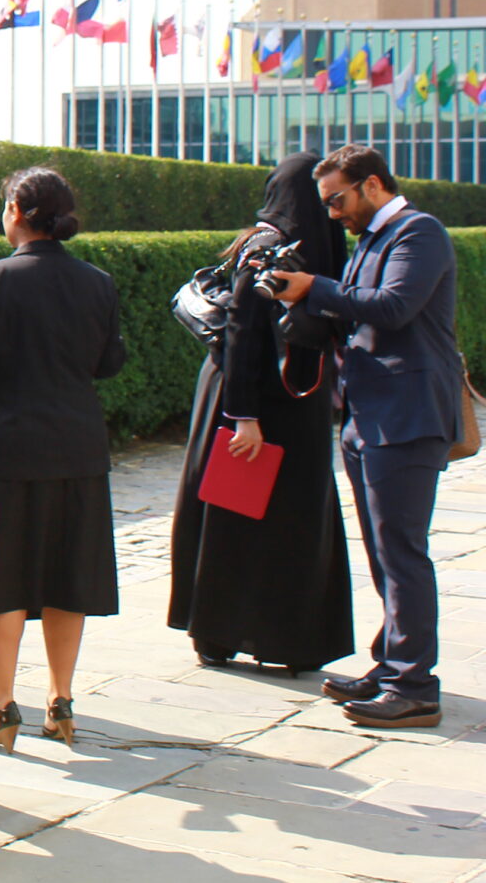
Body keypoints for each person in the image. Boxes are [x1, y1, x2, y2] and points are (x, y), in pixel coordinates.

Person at [265, 144, 461, 729]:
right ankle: (392, 664)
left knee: (402, 553)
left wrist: (314, 288)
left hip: (406, 418)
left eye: (337, 200)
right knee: (382, 551)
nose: (332, 213)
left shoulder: (419, 232)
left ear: (372, 184)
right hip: (368, 414)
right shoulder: (372, 238)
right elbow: (354, 314)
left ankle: (414, 686)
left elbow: (394, 307)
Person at [0, 168, 125, 754]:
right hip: (76, 448)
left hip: (8, 449)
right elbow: (109, 362)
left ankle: (0, 708)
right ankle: (60, 701)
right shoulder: (97, 282)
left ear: (16, 210)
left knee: (3, 584)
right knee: (68, 579)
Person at [167, 151, 353, 675]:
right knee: (243, 509)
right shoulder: (272, 245)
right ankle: (237, 633)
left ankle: (265, 636)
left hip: (285, 398)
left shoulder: (309, 242)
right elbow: (243, 330)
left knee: (280, 515)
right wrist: (244, 416)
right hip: (253, 396)